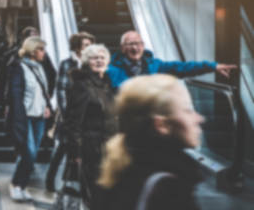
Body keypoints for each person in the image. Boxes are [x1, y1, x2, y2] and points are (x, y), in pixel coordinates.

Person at [95, 75, 205, 210]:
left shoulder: (124, 168)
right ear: (162, 125)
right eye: (188, 110)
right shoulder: (167, 189)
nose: (199, 118)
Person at [63, 44, 117, 206]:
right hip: (92, 147)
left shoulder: (106, 83)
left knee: (107, 190)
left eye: (102, 57)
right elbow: (73, 121)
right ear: (87, 61)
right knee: (95, 191)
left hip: (109, 145)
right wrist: (75, 152)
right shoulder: (82, 85)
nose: (99, 61)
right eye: (95, 58)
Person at [46, 31, 95, 192]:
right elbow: (60, 90)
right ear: (77, 47)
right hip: (69, 115)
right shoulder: (67, 64)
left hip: (86, 115)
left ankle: (78, 185)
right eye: (86, 45)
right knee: (61, 148)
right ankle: (50, 180)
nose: (90, 48)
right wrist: (67, 115)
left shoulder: (93, 64)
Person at [7, 36, 53, 202]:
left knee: (30, 153)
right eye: (41, 49)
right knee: (30, 152)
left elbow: (43, 91)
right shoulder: (18, 67)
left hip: (39, 116)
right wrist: (18, 117)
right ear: (32, 51)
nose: (44, 53)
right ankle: (16, 184)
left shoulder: (40, 67)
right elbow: (15, 94)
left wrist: (47, 106)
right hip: (25, 116)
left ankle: (21, 186)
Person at [107, 30, 236, 89]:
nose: (135, 48)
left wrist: (212, 66)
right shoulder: (111, 69)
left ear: (143, 46)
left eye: (138, 43)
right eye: (130, 44)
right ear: (123, 48)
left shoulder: (155, 65)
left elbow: (182, 67)